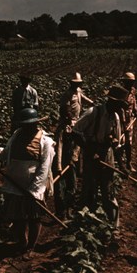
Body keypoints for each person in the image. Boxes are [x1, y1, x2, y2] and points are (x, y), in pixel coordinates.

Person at [0, 108, 55, 251]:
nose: (27, 127)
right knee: (18, 216)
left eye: (30, 124)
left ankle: (31, 246)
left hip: (33, 185)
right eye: (24, 124)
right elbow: (6, 153)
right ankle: (23, 241)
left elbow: (44, 168)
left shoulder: (46, 141)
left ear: (36, 124)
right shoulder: (17, 135)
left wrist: (34, 190)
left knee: (34, 217)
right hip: (15, 183)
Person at [72, 85, 128, 227]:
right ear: (111, 101)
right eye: (120, 104)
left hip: (107, 154)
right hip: (91, 153)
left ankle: (113, 225)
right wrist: (90, 151)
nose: (121, 108)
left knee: (108, 190)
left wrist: (122, 166)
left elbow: (117, 145)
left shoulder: (115, 117)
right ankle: (85, 224)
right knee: (89, 189)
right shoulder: (93, 112)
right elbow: (75, 132)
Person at [54, 72, 84, 219]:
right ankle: (61, 212)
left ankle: (69, 208)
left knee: (72, 184)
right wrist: (59, 167)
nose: (76, 86)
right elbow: (58, 147)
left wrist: (74, 158)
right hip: (62, 163)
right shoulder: (62, 129)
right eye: (74, 83)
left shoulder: (78, 93)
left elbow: (79, 145)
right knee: (60, 184)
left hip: (71, 161)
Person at [119, 72, 137, 171]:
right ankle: (120, 163)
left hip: (130, 119)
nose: (131, 84)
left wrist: (135, 110)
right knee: (121, 142)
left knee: (129, 143)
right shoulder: (121, 92)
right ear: (125, 82)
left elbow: (134, 101)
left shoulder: (133, 90)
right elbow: (119, 107)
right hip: (121, 119)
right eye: (129, 82)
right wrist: (122, 121)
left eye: (132, 82)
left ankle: (128, 163)